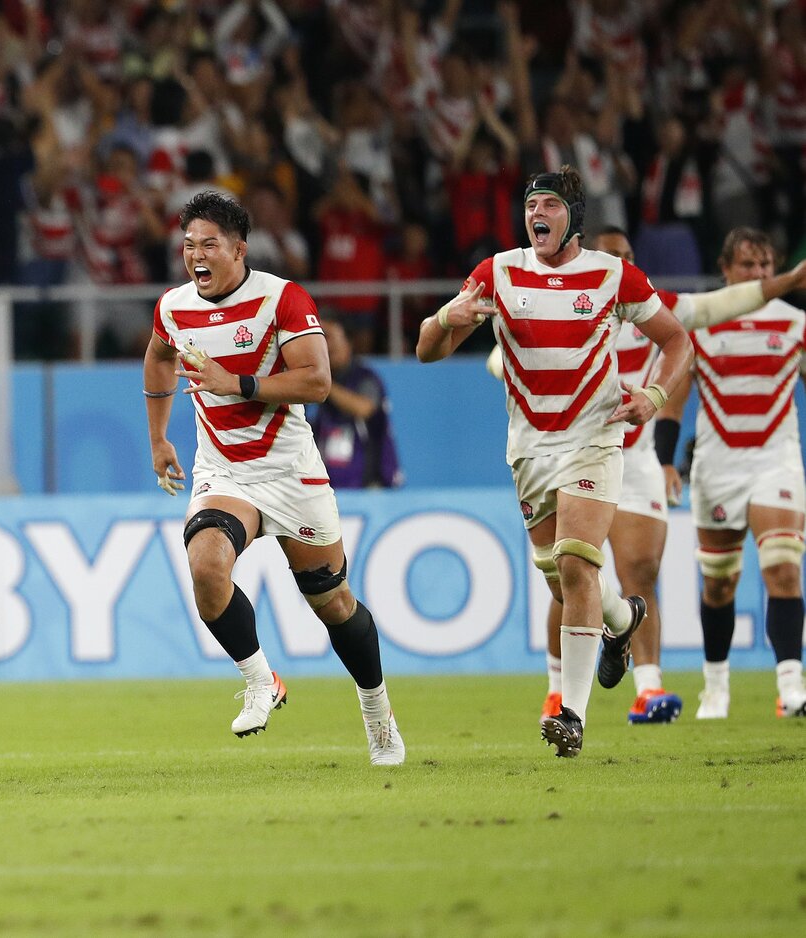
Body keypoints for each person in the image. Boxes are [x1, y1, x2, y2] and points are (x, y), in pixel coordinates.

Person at [418, 166, 692, 758]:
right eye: (530, 204)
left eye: (549, 204)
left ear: (574, 219)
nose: (536, 214)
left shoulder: (613, 276)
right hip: (528, 449)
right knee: (569, 583)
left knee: (575, 563)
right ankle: (621, 622)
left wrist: (654, 395)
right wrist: (447, 319)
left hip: (593, 439)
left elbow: (678, 341)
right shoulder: (498, 272)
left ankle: (571, 715)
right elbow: (425, 350)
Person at [489, 226, 806, 725]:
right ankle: (560, 684)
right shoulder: (560, 305)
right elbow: (497, 356)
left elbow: (713, 309)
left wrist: (787, 283)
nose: (621, 264)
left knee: (634, 570)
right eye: (612, 255)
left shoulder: (646, 305)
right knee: (565, 575)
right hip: (566, 447)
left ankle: (649, 688)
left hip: (629, 455)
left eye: (629, 256)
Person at [144, 190, 405, 766]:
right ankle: (261, 679)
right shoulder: (174, 306)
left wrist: (233, 382)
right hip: (223, 469)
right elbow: (159, 357)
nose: (195, 255)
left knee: (333, 603)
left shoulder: (282, 299)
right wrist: (160, 436)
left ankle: (376, 709)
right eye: (188, 245)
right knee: (205, 565)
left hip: (290, 472)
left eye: (209, 244)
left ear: (239, 249)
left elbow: (315, 382)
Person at [672, 228, 806, 720]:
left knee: (783, 568)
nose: (759, 274)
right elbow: (676, 395)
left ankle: (791, 686)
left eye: (767, 265)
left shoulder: (795, 323)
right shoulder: (701, 324)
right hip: (717, 464)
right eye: (748, 265)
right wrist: (668, 459)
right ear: (726, 270)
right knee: (719, 585)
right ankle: (716, 687)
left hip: (776, 459)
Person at [310, 316, 402, 489]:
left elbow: (364, 408)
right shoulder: (320, 382)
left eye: (328, 336)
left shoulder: (366, 378)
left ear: (348, 341)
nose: (323, 344)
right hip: (330, 487)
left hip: (371, 486)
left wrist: (323, 385)